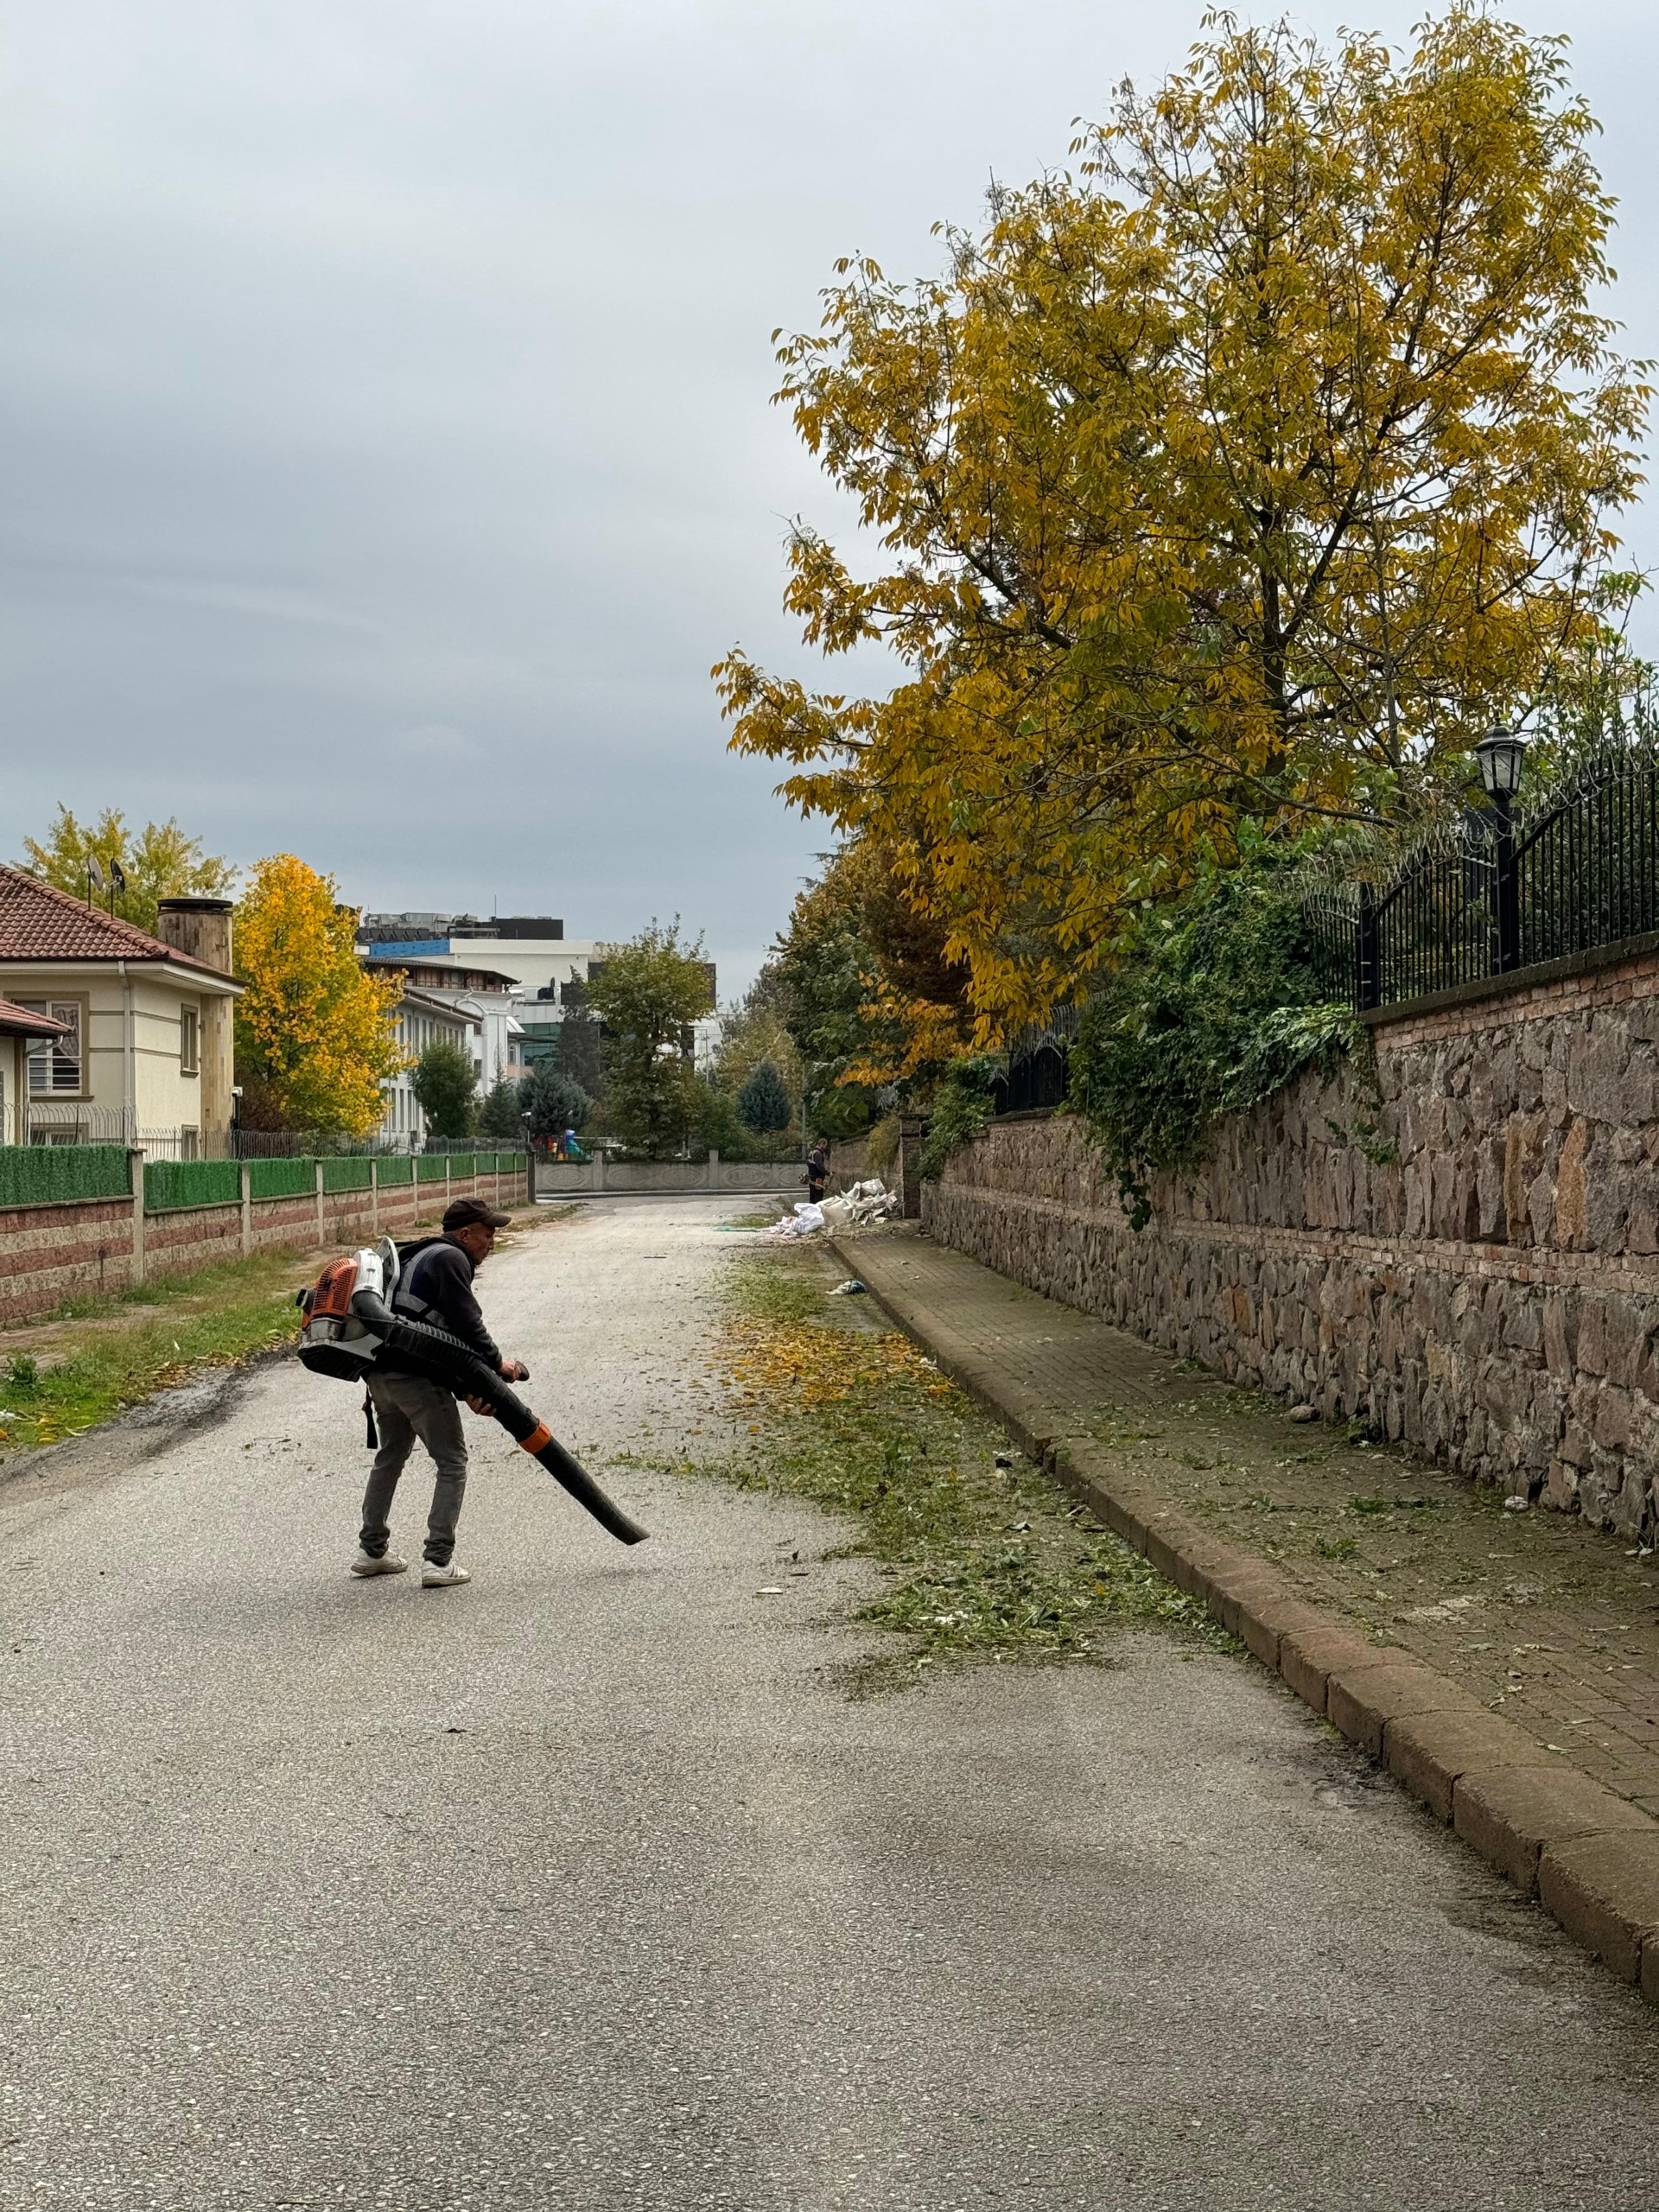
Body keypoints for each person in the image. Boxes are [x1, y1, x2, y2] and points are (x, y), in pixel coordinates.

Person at [349, 1196, 528, 1590]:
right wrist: (498, 1365)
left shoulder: (418, 1256)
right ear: (465, 1233)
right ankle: (438, 1560)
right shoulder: (452, 1258)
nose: (491, 1241)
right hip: (415, 1378)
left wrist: (467, 1390)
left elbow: (431, 1334)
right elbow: (467, 1326)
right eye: (487, 1233)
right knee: (452, 1461)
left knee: (391, 1457)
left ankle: (371, 1552)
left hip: (382, 1375)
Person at [804, 1139, 830, 1206]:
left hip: (811, 1177)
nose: (825, 1148)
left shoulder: (812, 1152)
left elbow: (808, 1163)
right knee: (818, 1197)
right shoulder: (818, 1153)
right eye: (825, 1146)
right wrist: (828, 1173)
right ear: (821, 1144)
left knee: (812, 1197)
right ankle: (817, 1213)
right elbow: (819, 1166)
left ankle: (811, 1212)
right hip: (818, 1179)